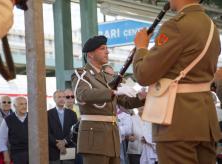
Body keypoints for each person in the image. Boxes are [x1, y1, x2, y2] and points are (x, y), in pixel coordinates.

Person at [133, 0, 221, 163]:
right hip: (205, 120)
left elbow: (144, 74)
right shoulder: (211, 27)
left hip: (177, 122)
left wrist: (141, 48)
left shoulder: (175, 26)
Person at [71, 35, 145, 164]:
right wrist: (113, 91)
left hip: (112, 136)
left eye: (107, 48)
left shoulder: (108, 77)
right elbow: (83, 95)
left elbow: (126, 102)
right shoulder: (82, 74)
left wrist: (142, 97)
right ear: (90, 54)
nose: (107, 51)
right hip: (94, 137)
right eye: (102, 48)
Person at [48, 90, 78, 164]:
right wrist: (59, 144)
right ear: (54, 99)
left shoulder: (72, 114)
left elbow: (74, 131)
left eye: (64, 97)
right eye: (59, 97)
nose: (62, 99)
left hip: (68, 149)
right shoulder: (48, 114)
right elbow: (47, 132)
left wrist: (65, 142)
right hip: (53, 150)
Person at [0, 97, 28, 164]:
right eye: (21, 104)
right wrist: (5, 154)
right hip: (17, 155)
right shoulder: (8, 120)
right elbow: (1, 139)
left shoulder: (32, 117)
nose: (24, 106)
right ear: (14, 106)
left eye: (26, 104)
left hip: (33, 153)